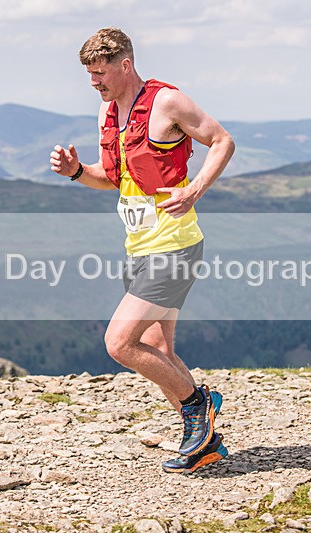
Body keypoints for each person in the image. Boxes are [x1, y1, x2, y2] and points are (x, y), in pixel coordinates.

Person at [50, 27, 235, 474]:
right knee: (157, 347)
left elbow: (222, 141)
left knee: (119, 342)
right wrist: (78, 172)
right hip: (139, 246)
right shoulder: (107, 112)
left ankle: (197, 406)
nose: (94, 82)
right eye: (89, 75)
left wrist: (195, 189)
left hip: (174, 245)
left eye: (99, 73)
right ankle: (204, 444)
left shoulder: (167, 101)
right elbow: (113, 179)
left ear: (124, 64)